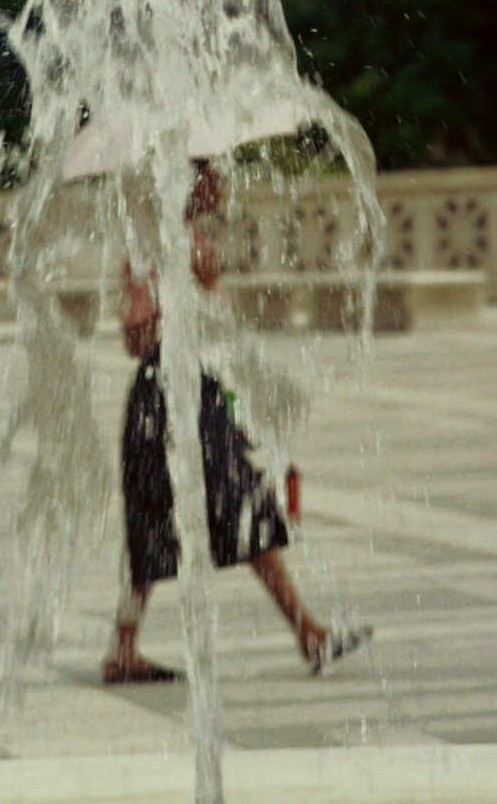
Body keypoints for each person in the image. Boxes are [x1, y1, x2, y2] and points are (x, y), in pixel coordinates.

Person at [103, 161, 368, 683]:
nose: (222, 188)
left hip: (200, 392)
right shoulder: (152, 246)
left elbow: (217, 334)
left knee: (244, 506)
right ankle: (124, 649)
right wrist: (180, 288)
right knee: (157, 526)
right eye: (213, 178)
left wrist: (234, 405)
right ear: (189, 183)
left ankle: (306, 633)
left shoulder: (195, 241)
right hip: (162, 398)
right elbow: (134, 341)